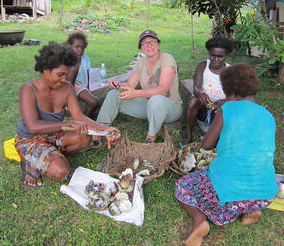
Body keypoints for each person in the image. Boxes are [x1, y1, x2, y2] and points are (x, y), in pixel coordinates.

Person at [175, 64, 278, 246]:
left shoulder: (227, 109)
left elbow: (207, 145)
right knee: (243, 179)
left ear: (229, 91)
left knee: (183, 186)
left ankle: (199, 222)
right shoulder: (268, 115)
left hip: (230, 197)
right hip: (265, 193)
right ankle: (250, 210)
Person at [15, 42, 120, 189]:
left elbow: (80, 117)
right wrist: (68, 124)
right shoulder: (29, 89)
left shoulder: (67, 88)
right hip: (29, 140)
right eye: (60, 75)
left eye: (66, 75)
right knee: (62, 172)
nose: (64, 79)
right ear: (46, 69)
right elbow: (33, 127)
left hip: (52, 135)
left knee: (86, 138)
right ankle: (30, 162)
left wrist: (104, 130)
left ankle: (46, 155)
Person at [96, 29, 182, 143]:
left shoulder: (167, 59)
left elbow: (163, 89)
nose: (149, 45)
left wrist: (136, 93)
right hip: (149, 106)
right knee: (114, 94)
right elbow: (129, 86)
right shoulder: (140, 63)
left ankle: (151, 137)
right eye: (144, 43)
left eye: (152, 41)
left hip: (171, 108)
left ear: (159, 44)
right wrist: (117, 84)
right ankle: (99, 130)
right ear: (141, 48)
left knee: (156, 100)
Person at [184, 36, 233, 144]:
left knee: (225, 108)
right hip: (203, 110)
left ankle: (216, 136)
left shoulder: (230, 71)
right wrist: (200, 93)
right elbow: (196, 87)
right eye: (213, 55)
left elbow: (234, 96)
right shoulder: (203, 66)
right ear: (209, 53)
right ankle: (188, 136)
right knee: (193, 100)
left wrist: (224, 101)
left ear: (226, 55)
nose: (216, 60)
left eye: (220, 57)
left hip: (219, 113)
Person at [67, 32, 98, 118]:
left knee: (93, 100)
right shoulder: (67, 59)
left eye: (83, 47)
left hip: (82, 87)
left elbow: (87, 74)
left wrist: (88, 88)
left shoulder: (85, 59)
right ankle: (85, 119)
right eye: (77, 47)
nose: (80, 50)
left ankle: (87, 117)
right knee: (94, 101)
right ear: (70, 46)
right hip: (74, 86)